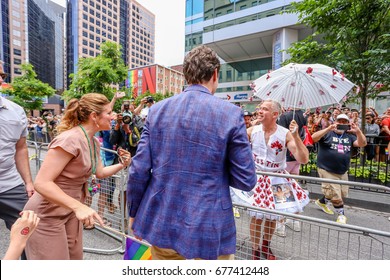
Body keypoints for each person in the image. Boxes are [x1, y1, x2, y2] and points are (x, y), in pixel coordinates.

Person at [127, 45, 257, 260]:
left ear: (187, 74)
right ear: (215, 74)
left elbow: (138, 169)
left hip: (163, 219)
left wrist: (134, 211)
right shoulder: (231, 114)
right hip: (209, 224)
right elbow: (246, 179)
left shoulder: (157, 110)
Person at [23, 93, 131, 260]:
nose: (114, 116)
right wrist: (78, 207)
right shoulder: (69, 139)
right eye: (109, 113)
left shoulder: (93, 141)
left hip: (70, 212)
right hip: (46, 214)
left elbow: (100, 172)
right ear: (94, 116)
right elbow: (42, 183)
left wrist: (122, 164)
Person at [247, 100, 309, 260]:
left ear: (275, 114)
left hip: (277, 179)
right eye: (260, 108)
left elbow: (303, 159)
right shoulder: (252, 130)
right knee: (256, 217)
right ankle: (255, 251)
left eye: (265, 109)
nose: (260, 111)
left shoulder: (285, 134)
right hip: (257, 178)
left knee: (272, 216)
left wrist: (296, 137)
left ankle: (266, 246)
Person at [0, 62, 35, 252]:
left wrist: (28, 182)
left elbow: (21, 149)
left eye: (2, 75)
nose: (0, 79)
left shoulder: (16, 111)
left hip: (10, 183)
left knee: (30, 229)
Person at [312, 113, 367, 224]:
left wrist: (358, 131)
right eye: (339, 121)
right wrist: (328, 128)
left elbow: (363, 143)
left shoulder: (349, 136)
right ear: (335, 121)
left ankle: (322, 202)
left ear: (348, 124)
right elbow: (313, 138)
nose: (341, 124)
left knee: (341, 193)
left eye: (344, 122)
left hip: (342, 171)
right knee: (336, 195)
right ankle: (341, 215)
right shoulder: (328, 133)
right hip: (326, 169)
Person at [276, 107, 307, 235]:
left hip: (288, 157)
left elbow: (281, 136)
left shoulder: (285, 117)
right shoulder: (303, 116)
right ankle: (294, 220)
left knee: (283, 190)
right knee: (293, 187)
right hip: (296, 158)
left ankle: (281, 223)